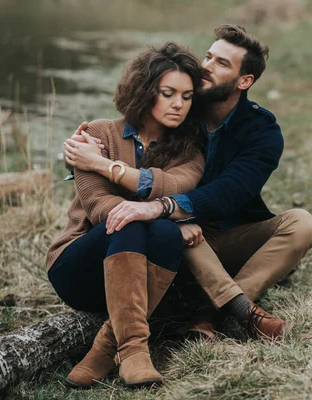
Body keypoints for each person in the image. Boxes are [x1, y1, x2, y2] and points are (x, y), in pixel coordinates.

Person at [70, 24, 312, 342]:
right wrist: (82, 152)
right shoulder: (181, 107)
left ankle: (214, 311)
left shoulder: (262, 131)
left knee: (303, 223)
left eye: (221, 63)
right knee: (178, 231)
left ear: (245, 81)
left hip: (226, 233)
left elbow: (228, 193)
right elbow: (131, 136)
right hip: (169, 238)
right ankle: (245, 311)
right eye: (208, 56)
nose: (206, 67)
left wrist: (167, 207)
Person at [46, 42, 205, 388]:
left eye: (187, 96)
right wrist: (157, 213)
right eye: (168, 93)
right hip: (79, 268)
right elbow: (97, 206)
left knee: (161, 234)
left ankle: (107, 349)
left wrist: (106, 166)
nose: (179, 104)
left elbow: (176, 184)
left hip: (135, 276)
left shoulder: (189, 152)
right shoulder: (97, 134)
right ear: (147, 91)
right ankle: (132, 350)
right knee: (131, 223)